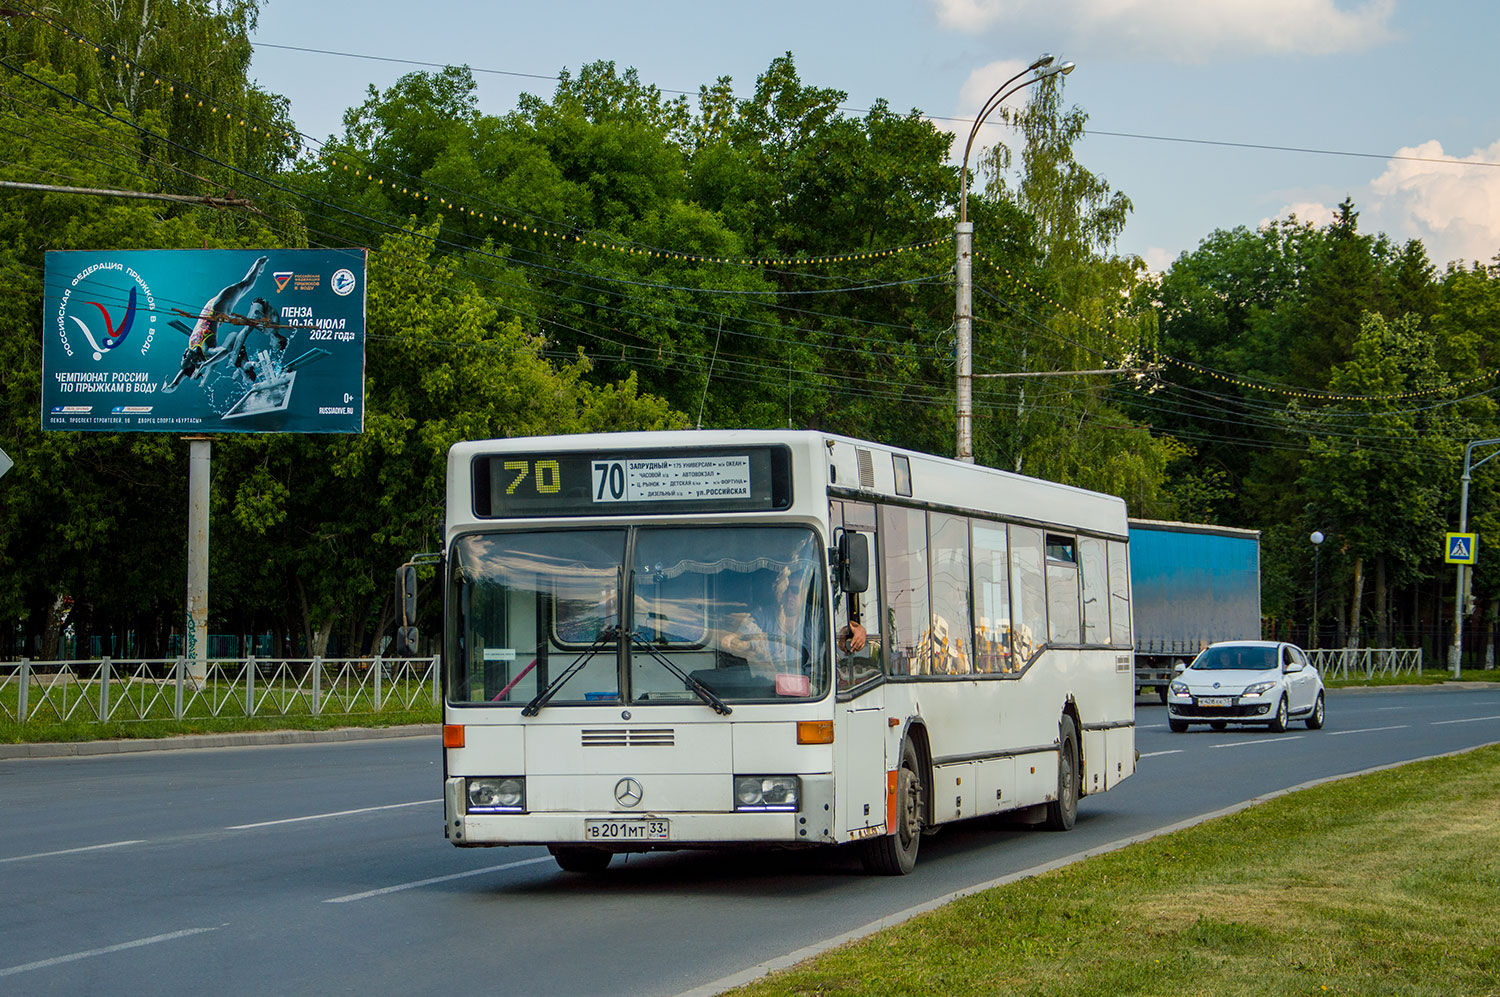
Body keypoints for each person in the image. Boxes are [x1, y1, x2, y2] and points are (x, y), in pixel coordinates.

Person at [163, 256, 267, 392]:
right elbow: (224, 351)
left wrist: (174, 384)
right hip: (219, 308)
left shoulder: (192, 346)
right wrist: (205, 364)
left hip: (215, 306)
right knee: (244, 285)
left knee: (244, 285)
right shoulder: (206, 350)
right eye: (193, 359)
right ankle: (258, 265)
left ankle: (258, 265)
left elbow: (185, 369)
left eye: (188, 356)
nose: (190, 355)